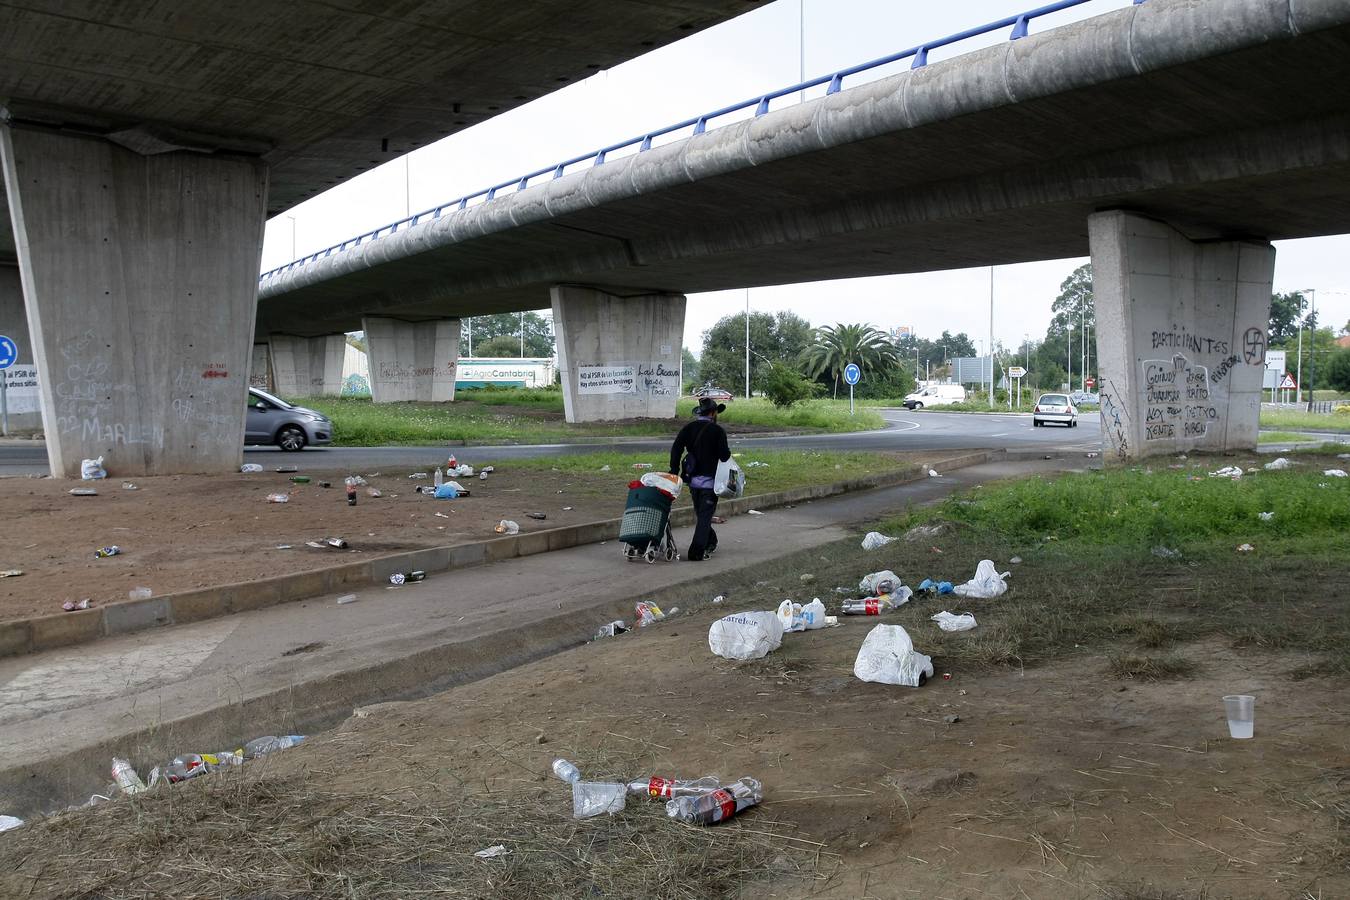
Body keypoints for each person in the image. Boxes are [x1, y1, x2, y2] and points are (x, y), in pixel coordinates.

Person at [669, 397, 731, 561]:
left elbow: (676, 449)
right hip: (711, 483)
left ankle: (711, 540)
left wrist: (674, 470)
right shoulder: (717, 431)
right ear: (712, 413)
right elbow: (724, 456)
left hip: (693, 481)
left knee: (702, 514)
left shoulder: (688, 428)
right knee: (704, 516)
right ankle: (696, 551)